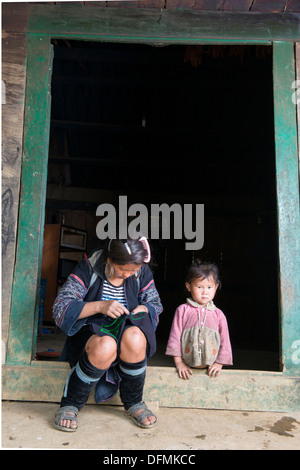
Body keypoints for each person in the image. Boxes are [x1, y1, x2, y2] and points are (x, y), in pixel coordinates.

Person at [53, 236, 163, 431]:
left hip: (126, 327)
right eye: (124, 270)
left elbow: (155, 304)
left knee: (136, 337)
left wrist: (145, 310)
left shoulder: (141, 272)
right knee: (106, 345)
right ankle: (70, 404)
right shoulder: (89, 268)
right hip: (91, 331)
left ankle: (134, 402)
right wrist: (100, 306)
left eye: (134, 271)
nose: (129, 274)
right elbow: (61, 308)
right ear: (109, 260)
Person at [165, 260, 232, 380]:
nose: (205, 292)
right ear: (189, 287)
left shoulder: (218, 314)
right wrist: (179, 363)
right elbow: (175, 338)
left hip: (211, 370)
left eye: (209, 287)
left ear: (216, 288)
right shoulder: (182, 310)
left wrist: (219, 363)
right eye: (199, 287)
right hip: (187, 367)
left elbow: (225, 341)